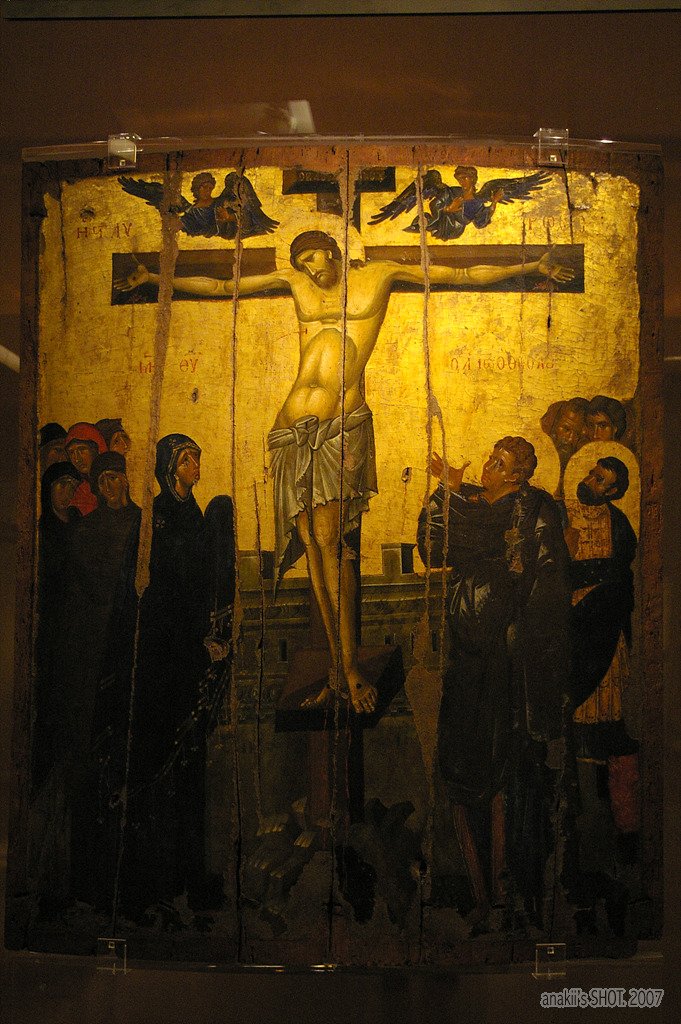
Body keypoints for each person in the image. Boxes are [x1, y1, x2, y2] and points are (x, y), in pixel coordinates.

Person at [116, 233, 574, 715]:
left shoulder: (378, 275)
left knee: (332, 545)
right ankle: (338, 667)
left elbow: (458, 273)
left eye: (316, 258)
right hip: (290, 431)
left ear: (334, 252)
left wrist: (532, 265)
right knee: (313, 549)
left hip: (340, 425)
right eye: (303, 263)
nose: (312, 270)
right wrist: (155, 277)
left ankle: (350, 667)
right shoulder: (295, 281)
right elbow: (221, 284)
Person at [418, 437, 572, 921]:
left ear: (518, 475)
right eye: (490, 457)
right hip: (468, 657)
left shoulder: (532, 509)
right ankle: (476, 890)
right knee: (463, 765)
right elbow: (432, 549)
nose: (487, 466)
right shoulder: (467, 504)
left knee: (509, 769)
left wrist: (522, 634)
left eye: (499, 463)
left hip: (511, 660)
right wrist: (446, 491)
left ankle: (511, 889)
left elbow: (548, 579)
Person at [563, 456, 640, 860]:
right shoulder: (562, 512)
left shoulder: (620, 525)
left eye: (600, 480)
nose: (590, 480)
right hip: (571, 635)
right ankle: (574, 830)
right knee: (572, 728)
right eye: (592, 473)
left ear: (612, 491)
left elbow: (622, 577)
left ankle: (624, 829)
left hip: (606, 638)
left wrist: (599, 577)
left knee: (611, 730)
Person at [64, 421, 108, 515]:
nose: (77, 459)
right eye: (71, 453)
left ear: (96, 449)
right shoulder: (79, 492)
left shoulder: (112, 484)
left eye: (82, 449)